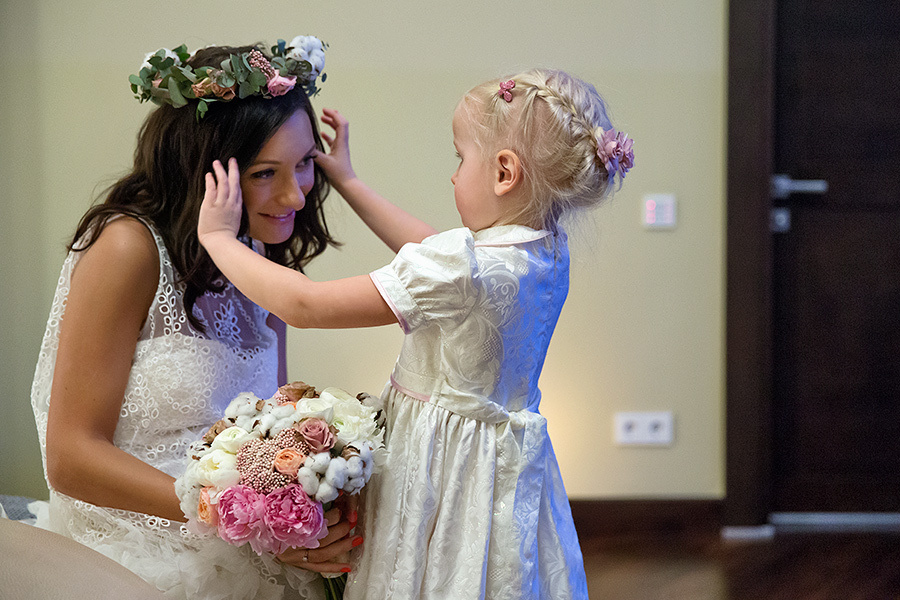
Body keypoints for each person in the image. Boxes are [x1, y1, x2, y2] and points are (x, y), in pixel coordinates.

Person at [198, 68, 634, 600]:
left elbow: (304, 305)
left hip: (436, 475)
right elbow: (429, 252)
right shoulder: (543, 247)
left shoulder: (463, 267)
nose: (454, 176)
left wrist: (220, 239)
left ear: (503, 172)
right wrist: (350, 183)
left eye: (460, 158)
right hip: (498, 468)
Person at [30, 38, 360, 600]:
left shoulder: (257, 258)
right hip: (133, 551)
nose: (295, 196)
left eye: (304, 164)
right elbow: (70, 456)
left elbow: (266, 424)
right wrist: (229, 510)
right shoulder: (127, 248)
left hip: (240, 543)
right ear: (201, 167)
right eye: (264, 173)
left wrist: (310, 504)